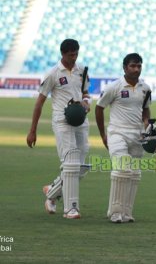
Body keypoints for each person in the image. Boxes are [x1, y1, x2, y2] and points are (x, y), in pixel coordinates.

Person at [26, 39, 91, 219]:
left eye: (76, 54)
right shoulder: (53, 73)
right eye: (71, 55)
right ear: (62, 54)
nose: (74, 58)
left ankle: (52, 192)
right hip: (62, 121)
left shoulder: (82, 70)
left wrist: (87, 102)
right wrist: (33, 130)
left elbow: (86, 93)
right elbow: (39, 103)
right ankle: (71, 208)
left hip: (81, 121)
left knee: (82, 165)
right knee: (70, 163)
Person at [95, 53, 151, 223]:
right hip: (117, 132)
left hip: (137, 134)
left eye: (139, 66)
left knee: (134, 173)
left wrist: (148, 127)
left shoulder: (145, 88)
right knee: (121, 170)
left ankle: (126, 213)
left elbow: (146, 110)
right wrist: (103, 135)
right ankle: (115, 212)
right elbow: (99, 108)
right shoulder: (114, 87)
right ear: (125, 68)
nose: (136, 69)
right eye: (133, 66)